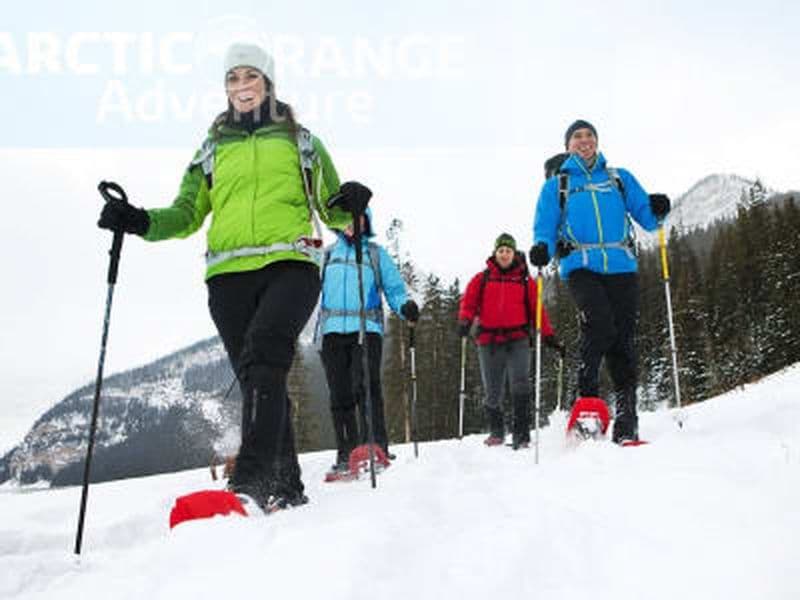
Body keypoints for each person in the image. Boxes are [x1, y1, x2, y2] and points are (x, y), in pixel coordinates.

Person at [97, 42, 371, 511]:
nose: (242, 86)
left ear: (268, 83)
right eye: (233, 78)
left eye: (250, 76)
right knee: (258, 379)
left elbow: (333, 211)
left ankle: (250, 481)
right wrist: (139, 221)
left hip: (292, 264)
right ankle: (287, 488)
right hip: (227, 276)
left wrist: (351, 202)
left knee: (265, 354)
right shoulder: (211, 149)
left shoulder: (302, 142)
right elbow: (185, 214)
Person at [530, 119, 670, 444]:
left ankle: (627, 421)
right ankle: (586, 404)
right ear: (568, 146)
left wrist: (658, 209)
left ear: (597, 141)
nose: (584, 140)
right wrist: (542, 249)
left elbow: (648, 219)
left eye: (589, 135)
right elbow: (545, 227)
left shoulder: (619, 178)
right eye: (577, 136)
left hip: (622, 265)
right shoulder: (557, 185)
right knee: (600, 325)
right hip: (581, 265)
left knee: (623, 340)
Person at [318, 209, 419, 477]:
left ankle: (375, 448)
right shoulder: (327, 255)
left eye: (359, 217)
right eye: (348, 217)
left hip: (366, 329)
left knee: (366, 387)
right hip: (331, 332)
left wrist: (405, 307)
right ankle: (346, 453)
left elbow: (394, 290)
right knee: (339, 394)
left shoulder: (375, 254)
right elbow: (309, 290)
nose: (353, 222)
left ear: (366, 221)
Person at [457, 233, 562, 449]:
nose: (504, 254)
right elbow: (469, 302)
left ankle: (521, 435)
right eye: (501, 251)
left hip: (518, 339)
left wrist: (548, 335)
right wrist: (465, 321)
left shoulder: (525, 281)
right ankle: (497, 432)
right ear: (495, 253)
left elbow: (537, 310)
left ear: (514, 254)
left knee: (520, 384)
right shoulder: (482, 279)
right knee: (492, 390)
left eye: (508, 251)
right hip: (489, 340)